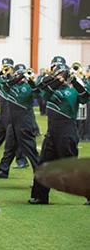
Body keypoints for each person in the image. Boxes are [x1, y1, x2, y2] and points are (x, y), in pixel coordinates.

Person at [30, 64, 90, 205]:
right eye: (59, 74)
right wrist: (59, 80)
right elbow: (43, 94)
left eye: (64, 74)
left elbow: (86, 98)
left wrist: (74, 80)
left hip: (67, 129)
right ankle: (41, 196)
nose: (62, 76)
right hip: (52, 131)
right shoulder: (50, 88)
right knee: (43, 164)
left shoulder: (74, 90)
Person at [0, 64, 40, 179]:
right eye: (18, 73)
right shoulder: (9, 85)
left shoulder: (29, 87)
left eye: (22, 74)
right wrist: (14, 77)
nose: (21, 76)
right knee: (10, 146)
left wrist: (31, 81)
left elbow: (38, 94)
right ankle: (3, 169)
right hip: (13, 122)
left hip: (25, 122)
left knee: (31, 151)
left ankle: (41, 177)